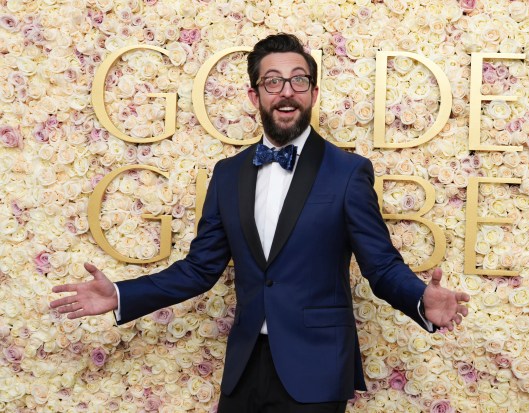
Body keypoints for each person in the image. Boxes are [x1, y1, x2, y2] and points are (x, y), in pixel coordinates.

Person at [50, 33, 470, 413]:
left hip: (317, 366)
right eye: (273, 81)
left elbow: (380, 265)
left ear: (314, 92)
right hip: (245, 367)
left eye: (298, 80)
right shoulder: (228, 173)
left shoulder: (347, 172)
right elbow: (199, 269)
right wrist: (122, 294)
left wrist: (420, 298)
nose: (286, 92)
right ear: (255, 96)